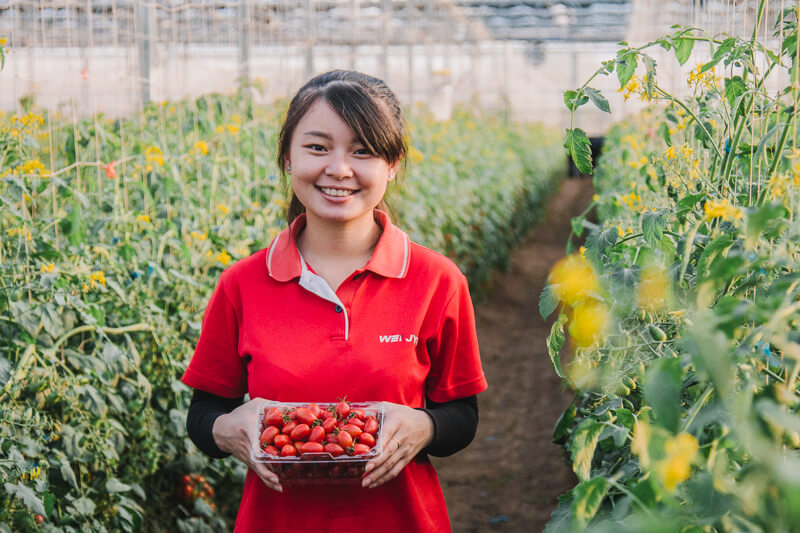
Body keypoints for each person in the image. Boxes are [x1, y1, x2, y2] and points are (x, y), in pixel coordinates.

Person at [182, 69, 488, 532]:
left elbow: (461, 416)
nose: (339, 169)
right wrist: (226, 430)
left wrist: (424, 427)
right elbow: (203, 413)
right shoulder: (241, 284)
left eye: (362, 150)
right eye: (317, 147)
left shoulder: (436, 281)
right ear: (287, 157)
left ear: (392, 165)